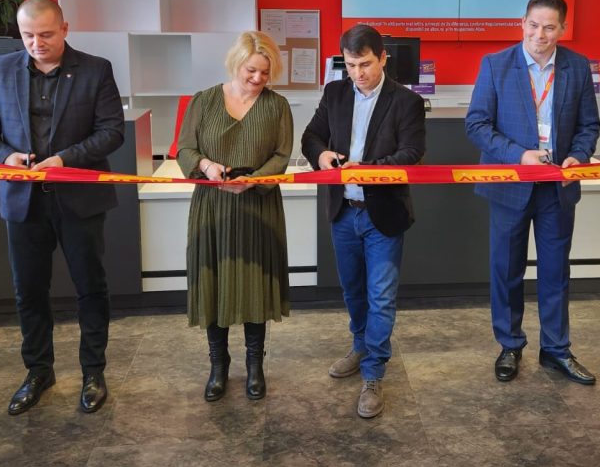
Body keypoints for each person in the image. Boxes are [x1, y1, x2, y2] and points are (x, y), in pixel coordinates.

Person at [0, 0, 125, 415]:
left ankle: (93, 372)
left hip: (79, 199)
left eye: (46, 35)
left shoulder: (96, 69)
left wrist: (65, 160)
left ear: (65, 29)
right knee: (29, 291)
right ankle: (38, 371)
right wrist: (4, 156)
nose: (37, 43)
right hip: (23, 201)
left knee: (91, 288)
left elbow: (112, 131)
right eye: (28, 36)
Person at [465, 0, 600, 385]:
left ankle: (556, 349)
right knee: (506, 270)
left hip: (557, 186)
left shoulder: (577, 67)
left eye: (549, 28)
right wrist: (519, 155)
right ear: (522, 23)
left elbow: (588, 125)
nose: (540, 35)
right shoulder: (496, 65)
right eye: (533, 25)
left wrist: (578, 156)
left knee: (555, 271)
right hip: (510, 185)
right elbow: (476, 124)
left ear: (563, 29)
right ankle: (510, 345)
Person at [301, 24, 426, 418]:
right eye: (351, 65)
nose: (358, 73)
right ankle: (360, 346)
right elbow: (311, 136)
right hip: (343, 212)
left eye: (365, 64)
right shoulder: (335, 93)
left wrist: (367, 169)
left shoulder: (406, 101)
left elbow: (411, 154)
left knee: (381, 296)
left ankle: (374, 373)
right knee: (353, 292)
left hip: (382, 214)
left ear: (383, 58)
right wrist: (321, 156)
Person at [176, 31, 292, 402]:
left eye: (265, 73)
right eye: (251, 70)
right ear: (236, 64)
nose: (258, 79)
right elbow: (184, 150)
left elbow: (281, 155)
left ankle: (255, 365)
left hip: (258, 205)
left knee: (255, 286)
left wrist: (254, 180)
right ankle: (218, 365)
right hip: (212, 205)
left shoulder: (277, 106)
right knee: (213, 283)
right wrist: (206, 166)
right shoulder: (204, 100)